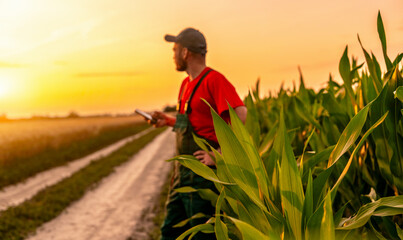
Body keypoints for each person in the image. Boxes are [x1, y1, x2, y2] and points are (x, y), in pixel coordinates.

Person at [149, 27, 247, 240]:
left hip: (202, 177)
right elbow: (193, 124)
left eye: (175, 49)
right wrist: (167, 121)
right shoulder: (186, 84)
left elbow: (241, 113)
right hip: (182, 174)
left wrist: (218, 154)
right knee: (170, 232)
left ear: (185, 53)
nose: (172, 54)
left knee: (201, 235)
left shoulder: (214, 80)